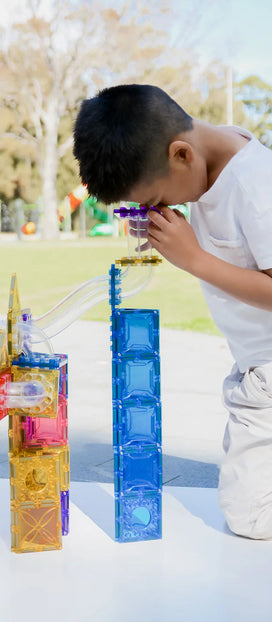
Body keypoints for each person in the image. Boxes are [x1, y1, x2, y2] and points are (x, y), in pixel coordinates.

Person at [73, 83, 272, 540]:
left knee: (251, 516)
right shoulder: (206, 163)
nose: (159, 210)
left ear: (182, 154)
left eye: (158, 199)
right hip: (254, 367)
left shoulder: (256, 185)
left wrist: (195, 259)